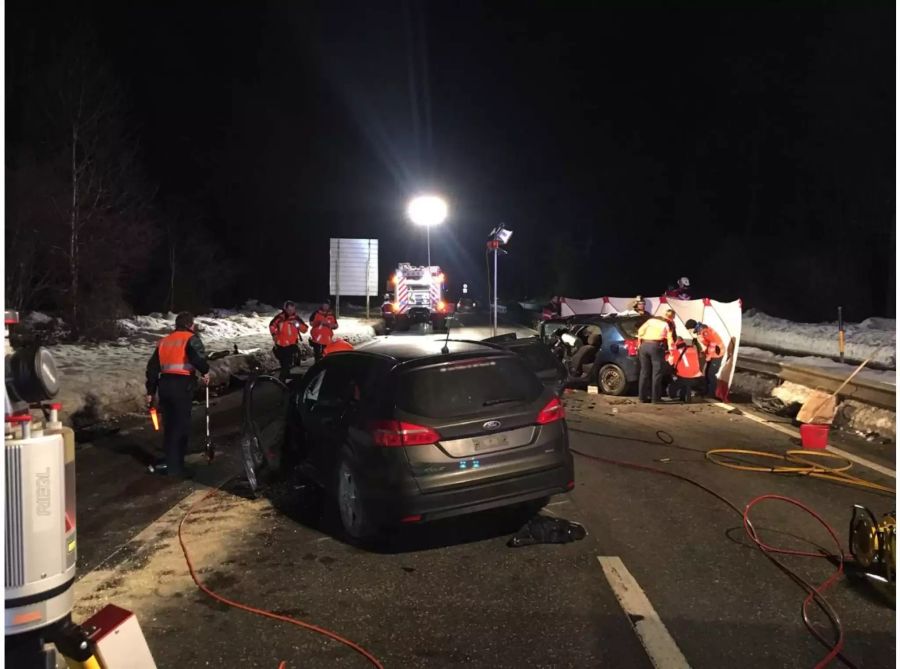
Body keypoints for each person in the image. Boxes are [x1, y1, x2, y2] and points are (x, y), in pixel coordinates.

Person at [145, 312, 210, 477]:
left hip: (165, 385)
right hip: (182, 385)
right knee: (181, 426)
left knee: (170, 425)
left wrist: (151, 391)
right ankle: (176, 468)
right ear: (190, 325)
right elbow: (197, 359)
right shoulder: (190, 338)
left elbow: (152, 368)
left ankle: (171, 462)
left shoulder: (164, 341)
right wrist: (205, 371)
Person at [636, 308, 675, 403]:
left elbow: (640, 331)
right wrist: (671, 353)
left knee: (644, 372)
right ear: (672, 318)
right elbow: (670, 340)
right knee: (657, 374)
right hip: (656, 347)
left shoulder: (650, 320)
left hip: (644, 346)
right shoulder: (667, 324)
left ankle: (642, 397)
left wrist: (639, 344)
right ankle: (655, 399)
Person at [269, 301, 308, 380]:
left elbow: (305, 329)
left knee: (288, 367)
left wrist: (297, 324)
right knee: (285, 367)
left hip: (291, 346)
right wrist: (274, 335)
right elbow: (271, 326)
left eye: (292, 310)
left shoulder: (296, 318)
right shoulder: (280, 317)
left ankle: (285, 382)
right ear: (285, 309)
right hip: (281, 346)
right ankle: (282, 384)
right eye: (289, 310)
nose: (291, 312)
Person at [685, 319, 725, 397]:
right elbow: (708, 344)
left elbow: (713, 344)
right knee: (706, 373)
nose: (690, 331)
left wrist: (708, 356)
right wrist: (705, 352)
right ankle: (706, 391)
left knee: (711, 374)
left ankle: (711, 393)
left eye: (689, 329)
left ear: (693, 327)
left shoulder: (705, 331)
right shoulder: (701, 330)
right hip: (713, 353)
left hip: (717, 353)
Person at [667, 338, 705, 402]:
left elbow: (670, 362)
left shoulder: (675, 352)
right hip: (697, 378)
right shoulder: (694, 350)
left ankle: (673, 394)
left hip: (683, 377)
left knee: (671, 384)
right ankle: (693, 392)